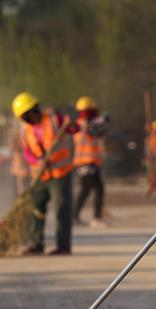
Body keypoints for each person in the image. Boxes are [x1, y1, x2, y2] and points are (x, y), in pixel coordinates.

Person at [12, 91, 77, 255]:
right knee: (35, 207)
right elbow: (27, 152)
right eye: (24, 117)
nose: (28, 119)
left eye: (28, 115)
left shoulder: (55, 119)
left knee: (61, 208)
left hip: (60, 174)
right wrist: (37, 160)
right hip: (40, 176)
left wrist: (71, 124)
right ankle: (36, 243)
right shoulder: (24, 130)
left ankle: (63, 246)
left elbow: (74, 129)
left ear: (35, 109)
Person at [72, 96, 109, 228]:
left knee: (85, 190)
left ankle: (74, 216)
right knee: (99, 189)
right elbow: (94, 128)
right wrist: (102, 119)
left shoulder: (78, 124)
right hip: (88, 164)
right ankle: (96, 218)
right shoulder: (86, 124)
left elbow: (97, 131)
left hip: (82, 163)